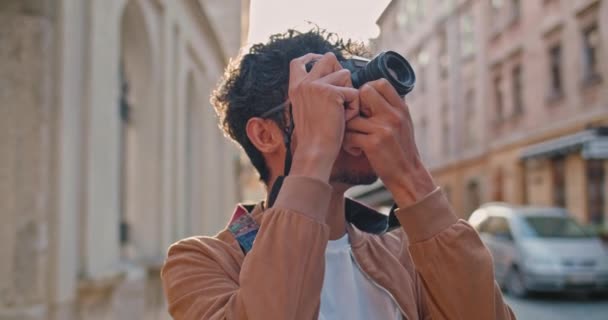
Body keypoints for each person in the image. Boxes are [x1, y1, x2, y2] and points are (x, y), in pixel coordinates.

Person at [161, 28, 516, 320]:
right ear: (265, 135)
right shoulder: (203, 262)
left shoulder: (404, 253)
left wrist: (411, 175)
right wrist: (314, 153)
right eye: (333, 100)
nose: (357, 112)